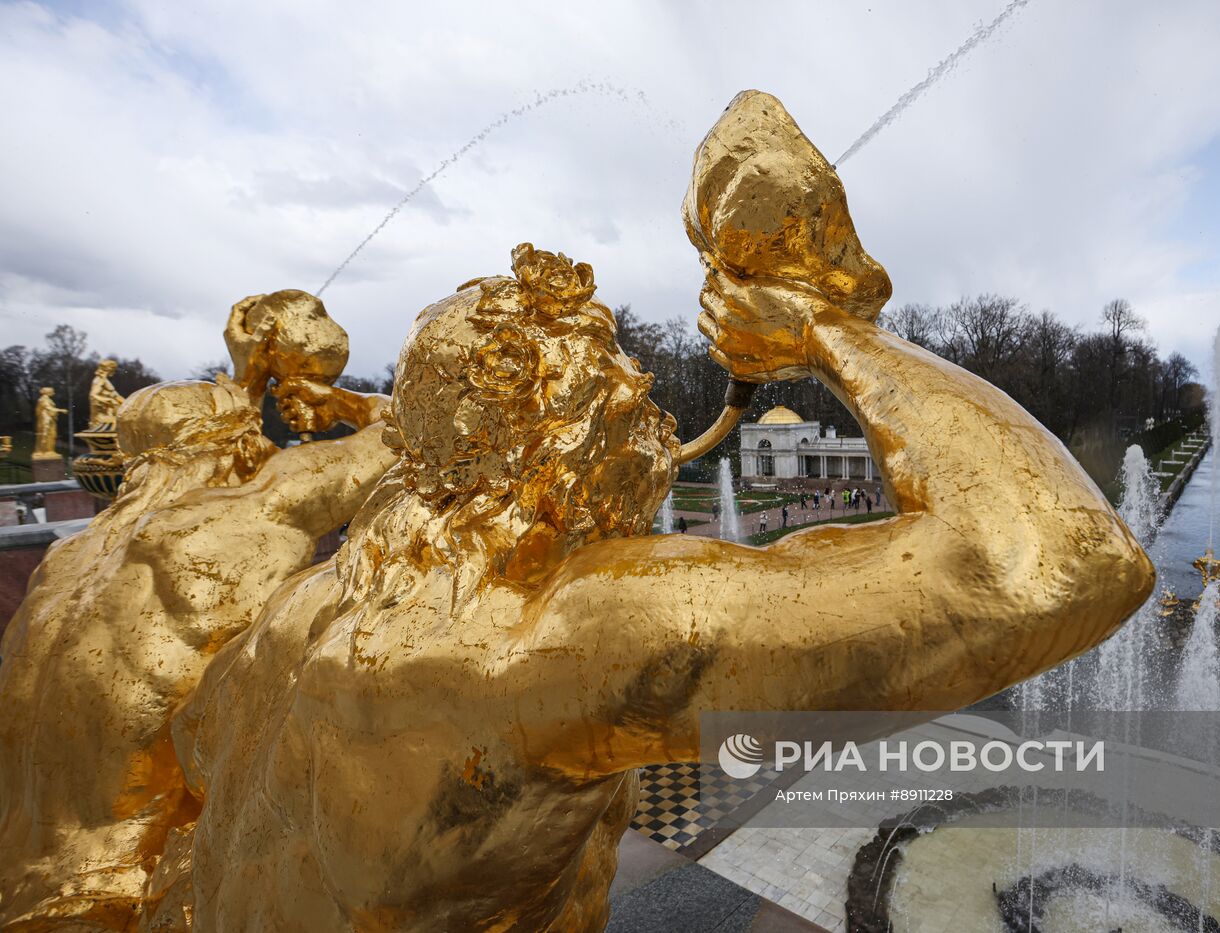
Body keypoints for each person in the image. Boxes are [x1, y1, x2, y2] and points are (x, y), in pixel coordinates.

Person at [140, 96, 1151, 932]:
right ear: (545, 432)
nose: (641, 395)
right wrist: (829, 333)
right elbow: (1054, 565)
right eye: (613, 376)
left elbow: (191, 753)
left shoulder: (308, 608)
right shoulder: (563, 634)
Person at [0, 292, 396, 930]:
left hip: (19, 878)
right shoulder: (229, 522)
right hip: (128, 893)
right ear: (236, 444)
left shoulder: (68, 559)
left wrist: (246, 377)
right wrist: (338, 401)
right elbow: (409, 432)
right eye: (252, 436)